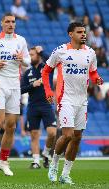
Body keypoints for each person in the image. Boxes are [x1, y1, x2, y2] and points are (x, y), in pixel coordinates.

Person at [42, 22, 104, 184]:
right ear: (71, 34)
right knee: (67, 134)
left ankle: (65, 174)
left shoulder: (90, 52)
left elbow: (92, 71)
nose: (83, 34)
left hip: (82, 100)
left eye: (84, 32)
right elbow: (46, 70)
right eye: (79, 32)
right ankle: (54, 164)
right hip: (65, 98)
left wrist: (96, 78)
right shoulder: (61, 51)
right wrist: (49, 91)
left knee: (77, 137)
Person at [0, 13, 30, 176]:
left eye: (13, 22)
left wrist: (22, 59)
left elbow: (28, 61)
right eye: (7, 21)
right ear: (1, 23)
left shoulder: (20, 40)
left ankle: (4, 162)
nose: (10, 24)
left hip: (15, 87)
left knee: (11, 126)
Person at [21, 46, 57, 169]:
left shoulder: (46, 68)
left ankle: (46, 153)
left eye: (32, 54)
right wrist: (33, 85)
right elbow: (21, 90)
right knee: (34, 135)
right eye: (29, 55)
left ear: (38, 55)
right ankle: (36, 161)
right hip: (33, 106)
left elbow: (53, 60)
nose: (30, 57)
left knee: (52, 133)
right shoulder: (27, 72)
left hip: (47, 104)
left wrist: (42, 51)